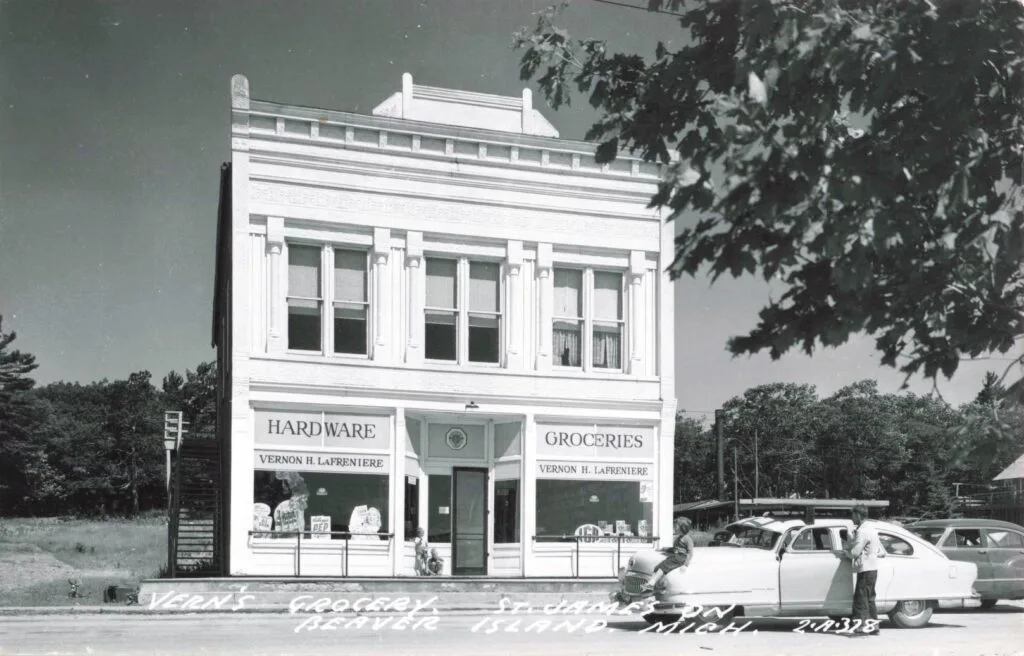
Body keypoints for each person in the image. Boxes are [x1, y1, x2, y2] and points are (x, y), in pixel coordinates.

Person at [843, 504, 882, 636]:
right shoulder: (872, 528)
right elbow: (880, 550)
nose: (852, 518)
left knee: (861, 598)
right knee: (870, 598)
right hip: (873, 567)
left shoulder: (863, 530)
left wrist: (845, 552)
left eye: (853, 515)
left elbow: (855, 552)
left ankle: (860, 627)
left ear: (858, 515)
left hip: (865, 568)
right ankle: (873, 626)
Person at [641, 517, 694, 593]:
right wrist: (665, 549)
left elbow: (690, 552)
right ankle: (652, 584)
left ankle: (651, 584)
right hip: (676, 557)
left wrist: (685, 565)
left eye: (675, 527)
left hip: (680, 558)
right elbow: (675, 549)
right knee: (657, 567)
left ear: (683, 528)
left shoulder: (687, 539)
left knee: (662, 568)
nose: (674, 528)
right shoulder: (679, 538)